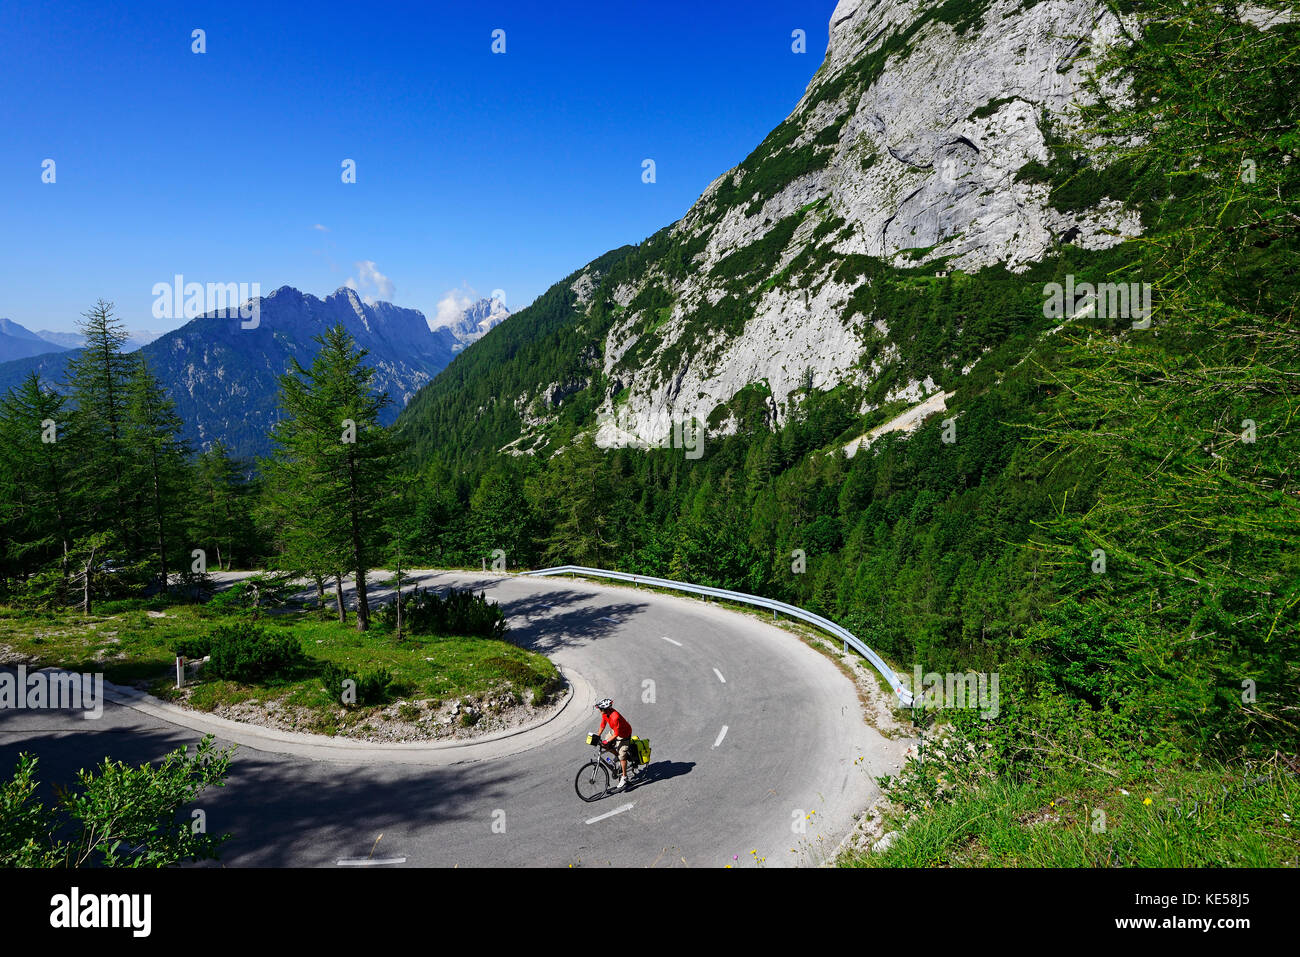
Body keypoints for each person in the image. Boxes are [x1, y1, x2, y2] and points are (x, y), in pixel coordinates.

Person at [594, 698, 634, 788]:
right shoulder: (605, 714)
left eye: (600, 709)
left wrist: (608, 740)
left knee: (622, 755)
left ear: (606, 709)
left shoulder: (615, 716)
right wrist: (597, 735)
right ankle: (617, 755)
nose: (599, 710)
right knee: (604, 744)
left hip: (624, 734)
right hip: (615, 731)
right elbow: (603, 725)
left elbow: (617, 734)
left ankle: (624, 777)